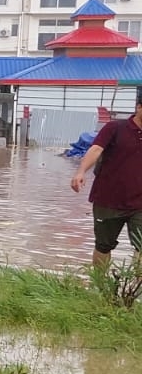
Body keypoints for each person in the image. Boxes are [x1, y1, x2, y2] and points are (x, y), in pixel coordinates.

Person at [71, 87, 142, 268]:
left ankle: (135, 292)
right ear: (139, 107)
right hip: (108, 200)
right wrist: (81, 172)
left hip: (139, 204)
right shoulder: (115, 128)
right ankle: (100, 288)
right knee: (103, 246)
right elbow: (95, 149)